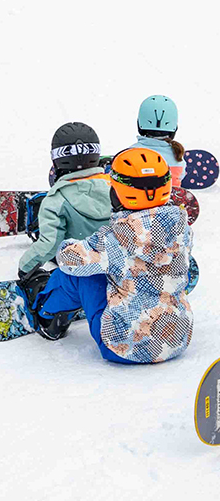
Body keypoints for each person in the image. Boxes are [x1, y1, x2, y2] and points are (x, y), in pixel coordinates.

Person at [24, 148, 193, 364]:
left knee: (79, 276)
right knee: (119, 270)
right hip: (177, 339)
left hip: (124, 348)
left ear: (119, 193)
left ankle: (47, 316)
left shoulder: (114, 238)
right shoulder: (182, 227)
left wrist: (72, 243)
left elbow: (68, 261)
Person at [17, 123, 112, 281]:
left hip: (81, 270)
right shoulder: (119, 189)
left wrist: (25, 268)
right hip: (117, 265)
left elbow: (50, 245)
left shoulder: (56, 200)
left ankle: (36, 212)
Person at [131, 95, 186, 187]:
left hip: (137, 200)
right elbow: (181, 176)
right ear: (174, 128)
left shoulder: (130, 152)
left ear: (139, 124)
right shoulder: (178, 156)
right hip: (169, 199)